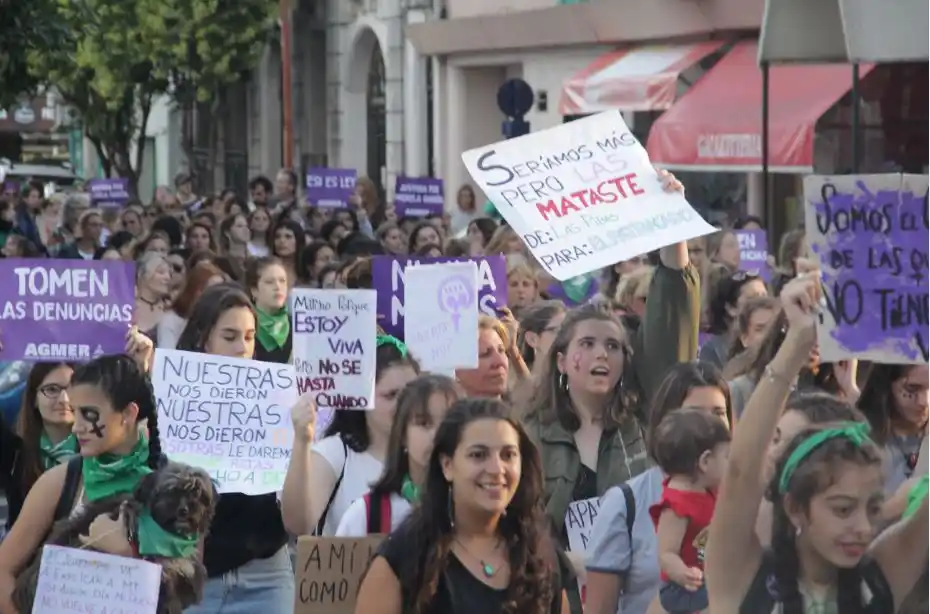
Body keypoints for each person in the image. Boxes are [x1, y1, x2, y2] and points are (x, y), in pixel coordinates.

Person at [706, 269, 928, 613]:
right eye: (842, 508)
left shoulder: (880, 579)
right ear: (795, 506)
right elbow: (741, 471)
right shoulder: (743, 577)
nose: (863, 527)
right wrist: (797, 341)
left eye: (872, 508)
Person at [355, 398, 570, 614]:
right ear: (447, 465)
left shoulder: (541, 555)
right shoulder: (405, 558)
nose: (496, 468)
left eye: (508, 455)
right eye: (478, 455)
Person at [0, 346, 166, 613]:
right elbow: (3, 570)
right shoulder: (60, 481)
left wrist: (131, 555)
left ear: (128, 414)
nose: (76, 426)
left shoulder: (174, 488)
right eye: (75, 413)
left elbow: (187, 584)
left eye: (88, 414)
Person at [176, 283, 293, 614]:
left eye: (249, 336)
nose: (243, 347)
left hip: (266, 576)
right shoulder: (173, 400)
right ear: (204, 339)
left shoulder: (277, 400)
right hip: (196, 575)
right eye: (230, 337)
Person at [282, 335, 420, 536]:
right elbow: (298, 525)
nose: (404, 404)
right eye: (390, 395)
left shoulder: (431, 453)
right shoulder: (335, 452)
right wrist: (302, 441)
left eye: (412, 393)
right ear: (362, 398)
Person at [336, 374, 461, 536]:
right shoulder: (367, 515)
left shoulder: (480, 509)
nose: (437, 434)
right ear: (402, 434)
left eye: (448, 423)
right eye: (424, 423)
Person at [649, 409, 730, 614]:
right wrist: (684, 574)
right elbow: (666, 554)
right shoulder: (677, 505)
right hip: (680, 590)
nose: (731, 463)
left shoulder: (709, 487)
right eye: (727, 456)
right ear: (705, 461)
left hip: (706, 577)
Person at [0, 363, 76, 530]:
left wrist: (142, 367)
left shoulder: (99, 451)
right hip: (23, 553)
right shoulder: (15, 451)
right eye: (52, 390)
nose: (64, 399)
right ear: (34, 398)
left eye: (72, 388)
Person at [246, 257, 292, 363]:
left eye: (282, 281)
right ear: (254, 290)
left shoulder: (299, 327)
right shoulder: (245, 325)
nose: (278, 286)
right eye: (269, 282)